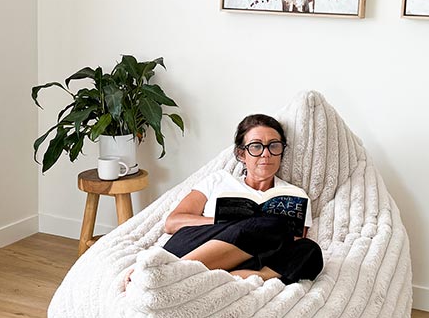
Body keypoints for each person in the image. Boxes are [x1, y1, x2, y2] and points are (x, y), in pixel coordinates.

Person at [123, 114, 323, 289]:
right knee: (264, 224)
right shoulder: (218, 180)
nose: (266, 153)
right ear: (241, 154)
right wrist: (224, 221)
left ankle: (240, 277)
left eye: (274, 146)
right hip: (202, 244)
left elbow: (292, 242)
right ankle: (174, 272)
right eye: (256, 146)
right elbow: (172, 223)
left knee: (310, 251)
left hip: (254, 256)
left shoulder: (295, 194)